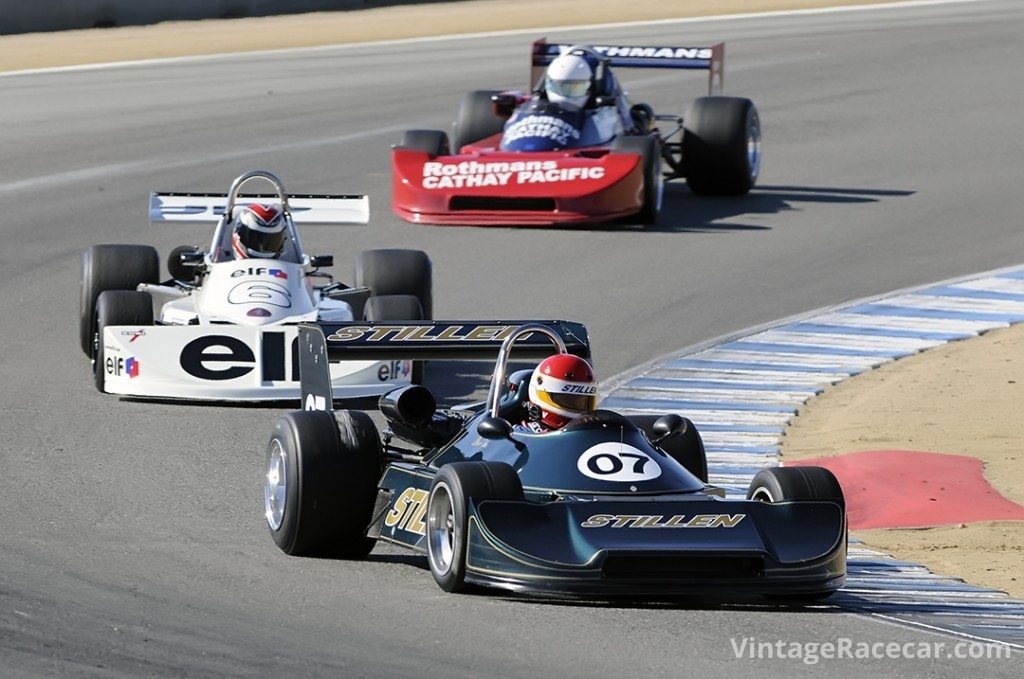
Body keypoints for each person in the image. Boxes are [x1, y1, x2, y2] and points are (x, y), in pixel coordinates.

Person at [520, 353, 598, 433]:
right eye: (567, 399)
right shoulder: (522, 435)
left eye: (580, 401)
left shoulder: (593, 434)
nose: (573, 403)